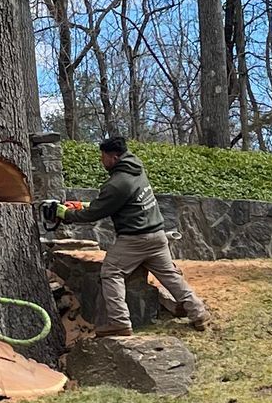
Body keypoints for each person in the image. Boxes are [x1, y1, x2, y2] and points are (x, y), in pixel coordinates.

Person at [57, 134, 208, 334]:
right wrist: (81, 205)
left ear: (114, 157)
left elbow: (96, 213)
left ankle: (119, 322)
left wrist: (66, 214)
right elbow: (115, 204)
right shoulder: (136, 169)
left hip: (135, 239)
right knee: (170, 276)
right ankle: (199, 313)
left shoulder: (117, 183)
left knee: (111, 271)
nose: (101, 161)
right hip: (157, 236)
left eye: (103, 157)